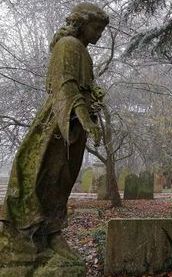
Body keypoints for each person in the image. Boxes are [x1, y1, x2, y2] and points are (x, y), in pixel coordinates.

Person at [1, 2, 108, 259]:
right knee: (48, 176)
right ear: (82, 23)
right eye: (97, 28)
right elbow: (66, 88)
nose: (100, 34)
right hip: (58, 124)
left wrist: (94, 94)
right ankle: (35, 237)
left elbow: (83, 86)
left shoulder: (81, 50)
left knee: (61, 181)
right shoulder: (69, 46)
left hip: (71, 125)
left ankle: (51, 235)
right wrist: (86, 120)